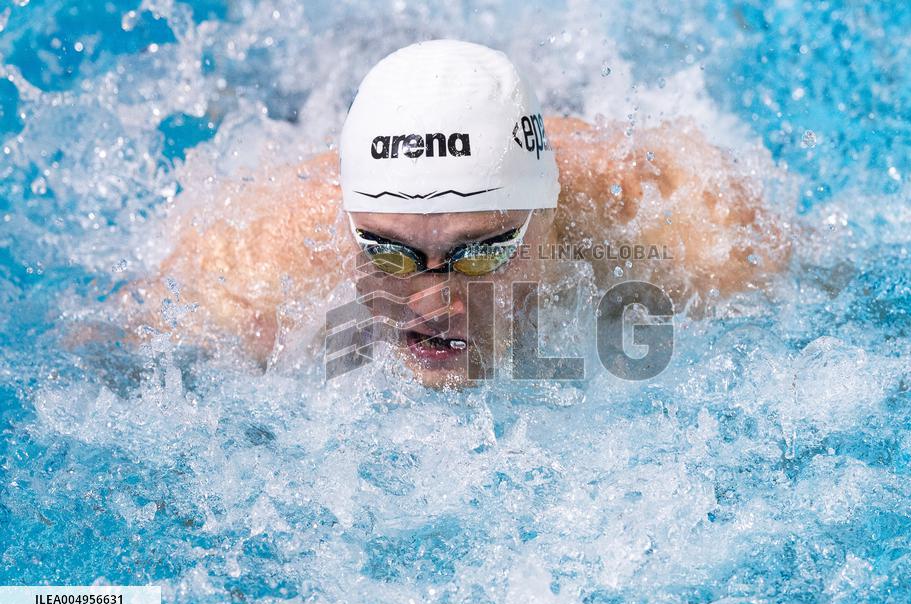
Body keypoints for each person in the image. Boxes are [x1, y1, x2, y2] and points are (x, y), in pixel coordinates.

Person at [126, 40, 790, 388]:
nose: (430, 306)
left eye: (481, 253)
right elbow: (110, 358)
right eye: (388, 251)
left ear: (546, 211)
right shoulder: (247, 266)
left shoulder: (679, 223)